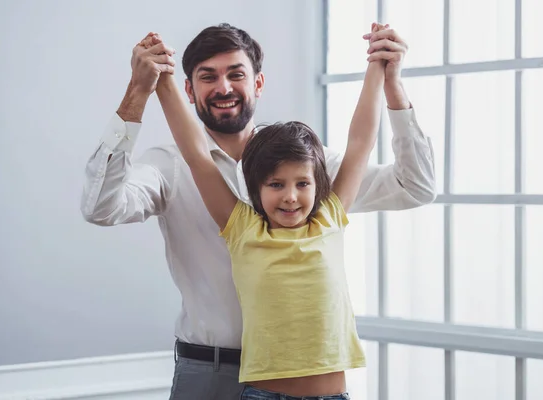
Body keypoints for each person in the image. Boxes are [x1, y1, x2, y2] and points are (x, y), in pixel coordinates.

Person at [80, 23, 436, 400]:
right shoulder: (222, 209)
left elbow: (397, 170)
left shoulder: (313, 175)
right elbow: (177, 167)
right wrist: (150, 84)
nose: (291, 196)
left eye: (236, 74)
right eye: (208, 77)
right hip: (210, 370)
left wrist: (387, 76)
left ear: (258, 83)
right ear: (190, 90)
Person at [152, 21, 386, 399]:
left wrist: (379, 65)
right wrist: (163, 79)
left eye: (302, 184)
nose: (290, 197)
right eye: (276, 185)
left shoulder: (329, 219)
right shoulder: (242, 228)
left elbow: (360, 142)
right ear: (255, 189)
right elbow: (197, 155)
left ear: (317, 186)